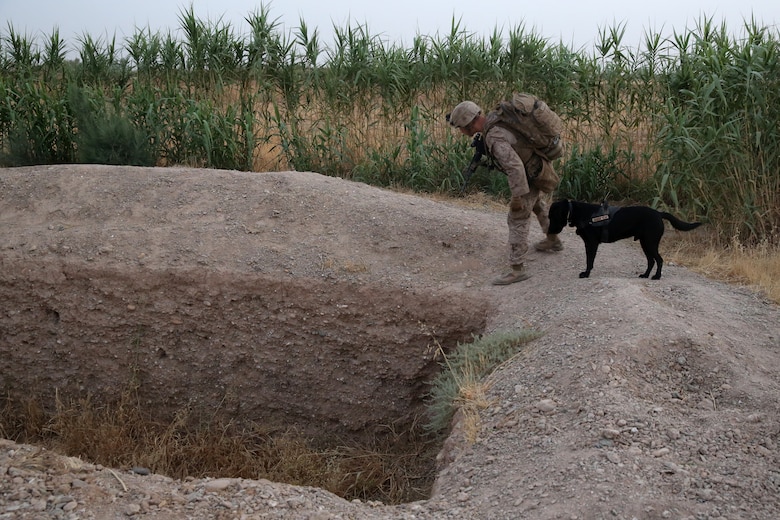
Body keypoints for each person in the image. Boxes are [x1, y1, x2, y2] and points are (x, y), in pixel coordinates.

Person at [447, 100, 563, 285]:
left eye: (461, 127)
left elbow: (515, 168)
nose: (461, 131)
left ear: (469, 123)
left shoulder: (494, 135)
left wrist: (517, 197)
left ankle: (517, 269)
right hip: (534, 166)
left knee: (517, 216)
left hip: (530, 172)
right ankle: (553, 239)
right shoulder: (495, 119)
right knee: (535, 203)